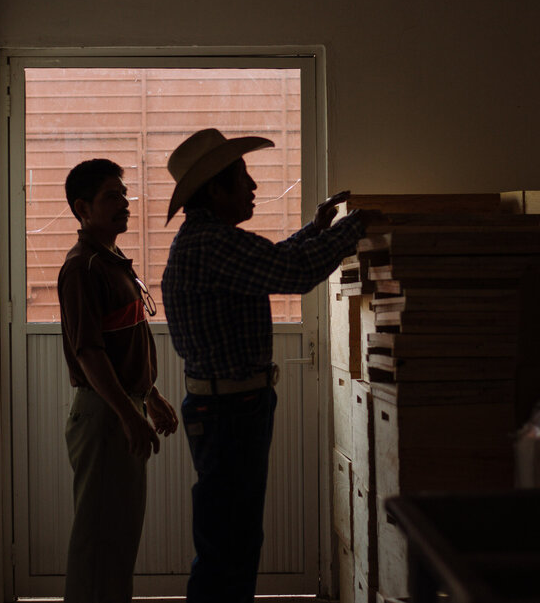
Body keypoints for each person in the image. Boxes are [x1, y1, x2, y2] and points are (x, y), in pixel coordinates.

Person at [160, 128, 367, 603]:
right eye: (243, 178)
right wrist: (355, 226)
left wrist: (318, 230)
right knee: (228, 544)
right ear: (216, 190)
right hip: (229, 413)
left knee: (232, 539)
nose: (253, 188)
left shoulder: (211, 241)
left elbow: (272, 260)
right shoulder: (211, 243)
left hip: (230, 409)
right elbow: (289, 272)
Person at [58, 158, 178, 603]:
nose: (125, 203)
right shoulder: (82, 268)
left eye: (124, 195)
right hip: (105, 416)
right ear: (82, 207)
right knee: (99, 545)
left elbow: (122, 345)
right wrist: (129, 416)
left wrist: (151, 396)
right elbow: (89, 354)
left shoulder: (109, 262)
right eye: (112, 196)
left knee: (118, 542)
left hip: (123, 407)